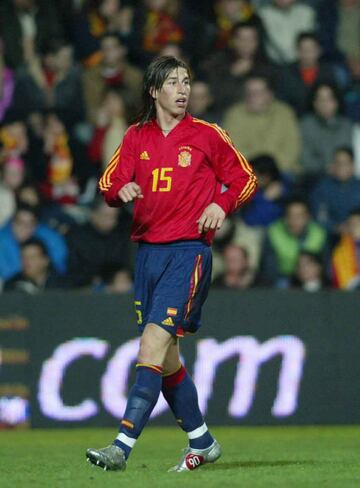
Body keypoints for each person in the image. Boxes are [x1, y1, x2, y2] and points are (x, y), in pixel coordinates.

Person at [86, 56, 257, 472]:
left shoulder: (206, 135)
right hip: (148, 255)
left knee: (151, 345)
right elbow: (107, 182)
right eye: (173, 82)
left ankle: (121, 447)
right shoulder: (134, 137)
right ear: (153, 90)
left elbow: (245, 178)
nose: (183, 90)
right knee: (166, 361)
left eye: (187, 82)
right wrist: (120, 189)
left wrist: (220, 202)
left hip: (188, 253)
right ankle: (203, 440)